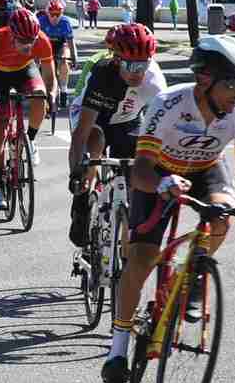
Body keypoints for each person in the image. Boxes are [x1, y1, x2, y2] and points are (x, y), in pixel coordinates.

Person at [100, 35, 235, 383]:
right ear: (204, 79)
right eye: (231, 85)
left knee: (221, 211)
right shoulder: (167, 105)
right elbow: (140, 170)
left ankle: (195, 273)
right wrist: (162, 184)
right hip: (158, 173)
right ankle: (118, 348)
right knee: (141, 258)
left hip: (206, 169)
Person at [67, 23, 168, 246]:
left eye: (143, 65)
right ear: (116, 59)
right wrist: (77, 172)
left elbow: (163, 130)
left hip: (127, 120)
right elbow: (82, 133)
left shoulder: (155, 82)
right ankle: (83, 202)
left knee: (136, 177)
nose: (137, 72)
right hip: (95, 117)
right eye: (130, 65)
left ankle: (123, 249)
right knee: (95, 143)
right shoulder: (102, 74)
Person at [0, 8, 55, 211]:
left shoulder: (41, 40)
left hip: (25, 71)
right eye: (23, 42)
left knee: (40, 96)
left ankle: (30, 140)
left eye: (32, 41)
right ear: (12, 36)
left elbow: (49, 74)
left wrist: (51, 94)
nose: (29, 46)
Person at [37, 0, 77, 108]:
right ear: (47, 13)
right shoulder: (41, 21)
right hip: (46, 45)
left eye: (57, 14)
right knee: (42, 66)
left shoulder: (65, 22)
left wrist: (74, 57)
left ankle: (64, 90)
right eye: (52, 14)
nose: (55, 17)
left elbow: (70, 41)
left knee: (64, 61)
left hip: (61, 45)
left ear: (62, 13)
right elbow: (36, 42)